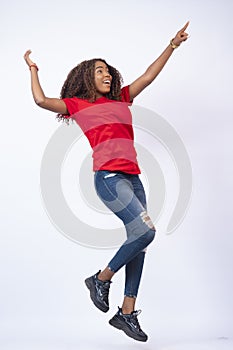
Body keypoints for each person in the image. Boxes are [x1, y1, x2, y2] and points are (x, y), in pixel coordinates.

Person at [24, 22, 189, 342]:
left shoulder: (122, 99)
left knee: (139, 240)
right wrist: (33, 69)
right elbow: (42, 101)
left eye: (109, 71)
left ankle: (126, 313)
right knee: (146, 231)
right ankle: (101, 279)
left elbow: (148, 76)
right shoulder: (79, 105)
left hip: (134, 178)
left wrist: (172, 44)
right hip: (110, 178)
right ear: (88, 77)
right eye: (100, 71)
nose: (107, 75)